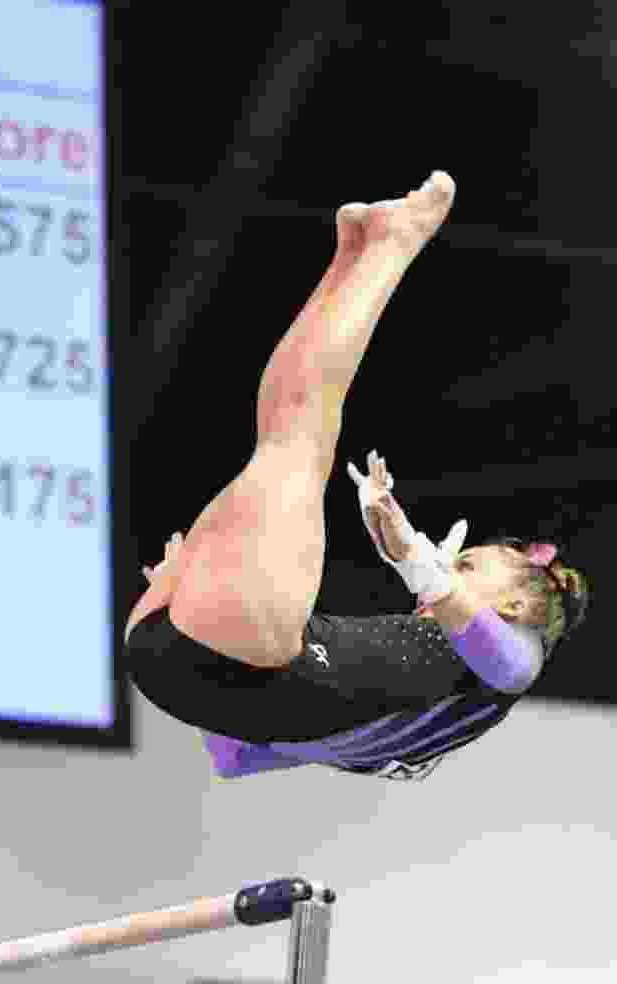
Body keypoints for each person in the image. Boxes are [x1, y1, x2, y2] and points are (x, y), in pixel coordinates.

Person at [124, 172, 589, 781]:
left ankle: (393, 242)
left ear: (517, 605)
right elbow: (232, 758)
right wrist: (201, 609)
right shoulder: (417, 709)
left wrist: (416, 564)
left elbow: (508, 661)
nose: (449, 573)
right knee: (290, 430)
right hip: (173, 653)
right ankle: (356, 251)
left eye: (468, 567)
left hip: (229, 649)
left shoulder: (508, 667)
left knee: (296, 432)